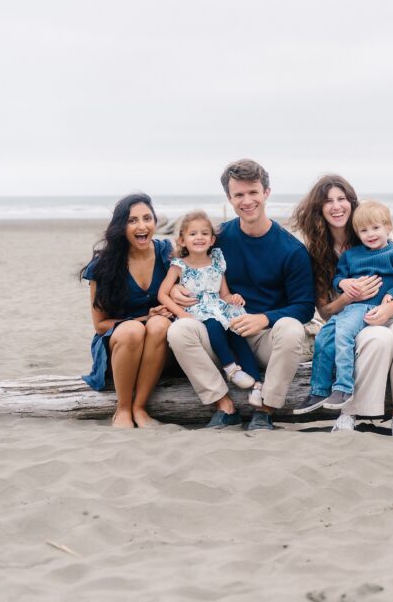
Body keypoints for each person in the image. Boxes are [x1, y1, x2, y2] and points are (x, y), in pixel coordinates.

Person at [166, 159, 315, 431]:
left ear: (266, 193)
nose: (247, 201)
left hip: (264, 339)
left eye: (253, 192)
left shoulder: (292, 250)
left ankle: (266, 410)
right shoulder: (220, 237)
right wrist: (176, 286)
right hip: (221, 332)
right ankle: (224, 406)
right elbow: (186, 260)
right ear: (229, 198)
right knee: (179, 331)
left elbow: (305, 307)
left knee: (292, 329)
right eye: (239, 195)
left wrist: (264, 318)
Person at [289, 175, 393, 439]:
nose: (336, 206)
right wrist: (348, 295)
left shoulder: (372, 226)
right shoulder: (318, 250)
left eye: (342, 199)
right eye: (328, 201)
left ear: (352, 203)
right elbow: (325, 311)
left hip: (387, 309)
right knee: (378, 337)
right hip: (348, 315)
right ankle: (350, 411)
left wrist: (390, 306)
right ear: (319, 208)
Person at [308, 201, 393, 412]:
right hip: (350, 308)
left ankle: (343, 387)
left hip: (370, 307)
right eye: (364, 230)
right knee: (324, 336)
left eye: (376, 228)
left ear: (389, 227)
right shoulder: (352, 255)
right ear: (357, 233)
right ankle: (319, 390)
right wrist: (342, 283)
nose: (371, 234)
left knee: (343, 334)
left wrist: (392, 295)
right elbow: (339, 276)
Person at [79, 192, 173, 428]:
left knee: (160, 324)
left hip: (158, 346)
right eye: (132, 220)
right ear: (121, 226)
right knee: (133, 330)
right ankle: (122, 409)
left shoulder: (167, 255)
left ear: (155, 222)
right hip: (119, 345)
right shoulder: (104, 265)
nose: (142, 226)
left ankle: (140, 408)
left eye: (147, 218)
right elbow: (100, 325)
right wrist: (143, 318)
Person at [157, 209, 266, 406]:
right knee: (215, 325)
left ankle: (256, 385)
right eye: (193, 234)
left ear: (212, 240)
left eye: (204, 233)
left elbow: (224, 293)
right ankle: (231, 369)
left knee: (237, 332)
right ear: (182, 240)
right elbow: (162, 294)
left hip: (220, 307)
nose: (199, 237)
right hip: (198, 311)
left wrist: (234, 298)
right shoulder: (179, 265)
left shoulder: (217, 261)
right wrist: (181, 314)